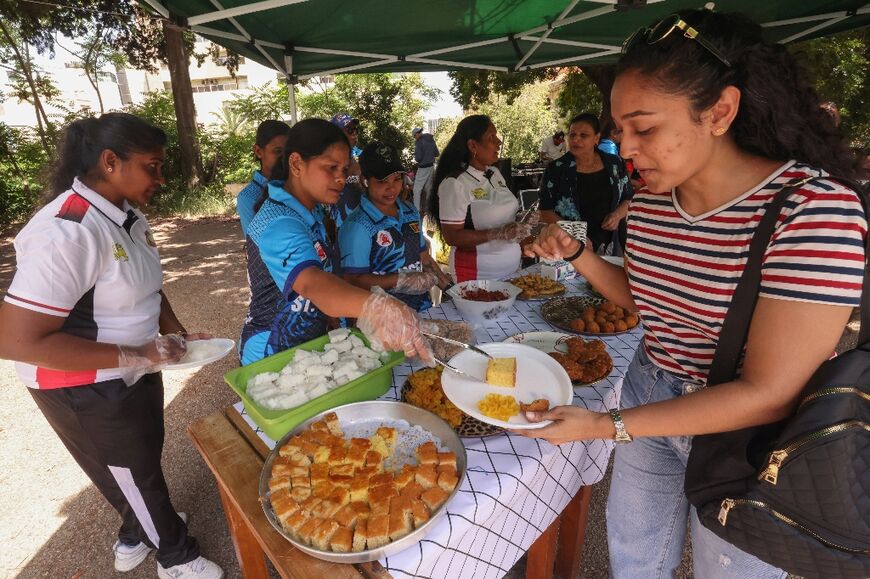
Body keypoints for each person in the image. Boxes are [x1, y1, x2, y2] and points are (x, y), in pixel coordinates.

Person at [519, 9, 865, 579]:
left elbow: (770, 392)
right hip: (650, 390)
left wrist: (607, 426)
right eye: (618, 129)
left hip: (745, 431)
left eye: (644, 127)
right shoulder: (654, 201)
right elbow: (644, 300)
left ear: (720, 111)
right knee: (634, 562)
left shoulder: (812, 211)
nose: (623, 146)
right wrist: (579, 254)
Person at [0, 113, 224, 578]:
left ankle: (136, 531)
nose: (161, 179)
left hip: (132, 367)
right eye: (153, 166)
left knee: (139, 456)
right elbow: (15, 340)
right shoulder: (68, 231)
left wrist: (174, 334)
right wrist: (139, 353)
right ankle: (175, 556)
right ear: (109, 161)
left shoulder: (128, 215)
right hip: (82, 384)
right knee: (130, 469)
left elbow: (148, 286)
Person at [240, 118, 433, 366]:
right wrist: (382, 307)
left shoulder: (312, 211)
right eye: (331, 168)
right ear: (297, 164)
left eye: (344, 170)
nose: (341, 179)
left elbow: (328, 274)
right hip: (272, 355)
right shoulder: (279, 222)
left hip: (309, 347)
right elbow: (314, 284)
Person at [340, 141, 451, 312]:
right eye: (382, 181)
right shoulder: (358, 225)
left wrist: (448, 287)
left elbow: (423, 256)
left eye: (397, 178)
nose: (392, 187)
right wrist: (400, 280)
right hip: (384, 317)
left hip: (423, 309)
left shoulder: (410, 211)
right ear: (365, 180)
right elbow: (352, 280)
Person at [428, 114, 533, 282]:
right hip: (476, 276)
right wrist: (498, 233)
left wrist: (521, 220)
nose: (498, 142)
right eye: (492, 137)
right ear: (473, 145)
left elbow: (503, 215)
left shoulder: (495, 173)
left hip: (512, 270)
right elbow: (452, 237)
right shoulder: (456, 183)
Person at [538, 113, 634, 253]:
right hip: (569, 246)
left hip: (610, 244)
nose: (576, 139)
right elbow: (545, 211)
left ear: (596, 138)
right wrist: (575, 235)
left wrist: (617, 215)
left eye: (584, 135)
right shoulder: (556, 169)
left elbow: (628, 197)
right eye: (572, 135)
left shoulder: (615, 164)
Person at [236, 120, 291, 235]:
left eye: (288, 152)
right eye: (277, 151)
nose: (284, 157)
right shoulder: (248, 197)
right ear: (258, 151)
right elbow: (255, 245)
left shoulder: (296, 186)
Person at [329, 113, 364, 228]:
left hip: (364, 222)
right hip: (343, 225)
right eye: (349, 129)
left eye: (355, 129)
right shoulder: (329, 163)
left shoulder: (360, 156)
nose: (354, 132)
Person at [411, 127, 439, 214]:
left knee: (416, 189)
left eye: (414, 136)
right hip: (431, 166)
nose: (415, 138)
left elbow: (418, 158)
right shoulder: (430, 139)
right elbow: (437, 153)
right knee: (429, 188)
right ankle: (428, 209)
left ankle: (416, 209)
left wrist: (415, 159)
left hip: (423, 167)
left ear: (417, 134)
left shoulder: (419, 142)